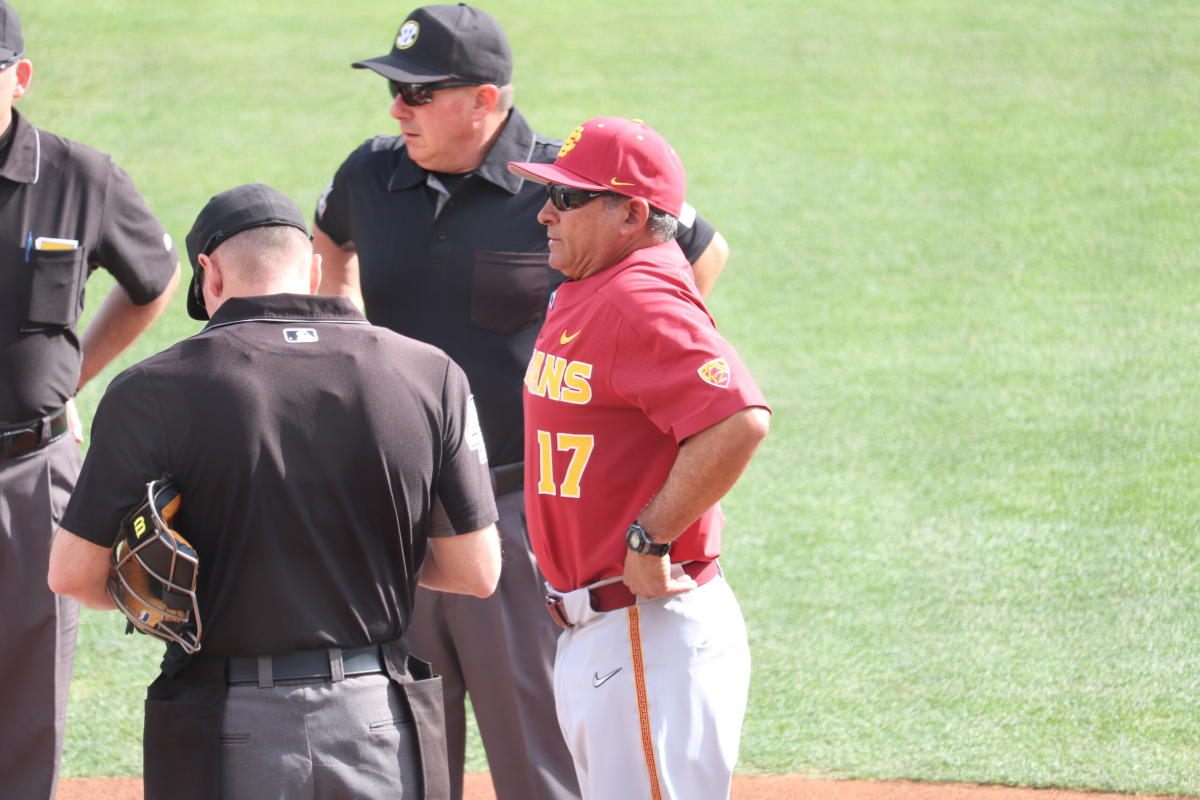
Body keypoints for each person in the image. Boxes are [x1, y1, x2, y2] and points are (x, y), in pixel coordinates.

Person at [313, 6, 729, 798]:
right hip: (391, 509)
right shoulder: (371, 172)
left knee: (537, 753)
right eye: (394, 91)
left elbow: (701, 253)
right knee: (399, 747)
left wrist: (616, 359)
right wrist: (342, 327)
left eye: (418, 93)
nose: (396, 109)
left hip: (514, 507)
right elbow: (329, 239)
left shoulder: (563, 185)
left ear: (484, 98)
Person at [47, 183, 502, 800]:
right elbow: (475, 571)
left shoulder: (149, 389)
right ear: (313, 270)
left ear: (209, 276)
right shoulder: (430, 372)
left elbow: (73, 576)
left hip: (227, 727)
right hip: (378, 721)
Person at [507, 116, 771, 800]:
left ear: (630, 212)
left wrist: (648, 539)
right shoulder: (591, 286)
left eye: (567, 198)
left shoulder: (638, 297)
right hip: (604, 636)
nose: (544, 212)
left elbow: (739, 418)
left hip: (640, 630)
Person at [0, 2, 180, 796]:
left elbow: (153, 282)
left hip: (30, 472)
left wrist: (70, 377)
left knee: (28, 694)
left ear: (19, 77)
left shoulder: (80, 177)